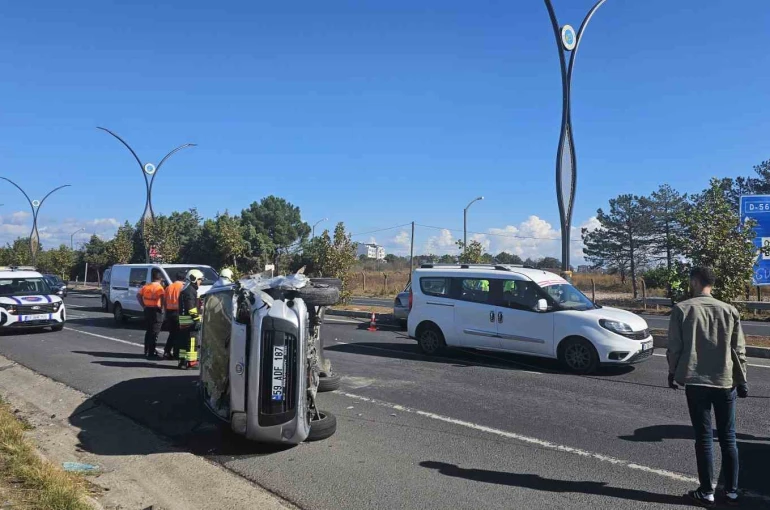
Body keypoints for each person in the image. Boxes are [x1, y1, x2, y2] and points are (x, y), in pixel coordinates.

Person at [667, 266, 748, 507]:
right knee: (728, 437)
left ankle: (706, 491)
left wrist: (673, 373)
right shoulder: (729, 310)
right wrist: (742, 379)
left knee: (703, 439)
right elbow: (739, 350)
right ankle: (732, 490)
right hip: (725, 382)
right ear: (712, 283)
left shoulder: (682, 309)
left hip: (696, 381)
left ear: (694, 281)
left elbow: (675, 348)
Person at [177, 269, 203, 369]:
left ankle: (182, 362)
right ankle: (191, 363)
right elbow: (191, 307)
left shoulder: (185, 289)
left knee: (183, 342)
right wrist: (196, 319)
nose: (200, 282)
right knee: (192, 342)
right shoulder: (190, 290)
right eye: (200, 279)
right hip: (190, 321)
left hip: (184, 320)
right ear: (194, 278)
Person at [137, 269, 165, 359]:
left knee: (149, 330)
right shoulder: (159, 288)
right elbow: (162, 298)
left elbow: (138, 295)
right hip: (156, 311)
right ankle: (151, 352)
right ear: (160, 279)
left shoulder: (146, 286)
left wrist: (143, 305)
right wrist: (162, 308)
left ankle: (146, 350)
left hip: (147, 310)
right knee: (155, 332)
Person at [163, 271, 186, 360]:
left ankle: (167, 351)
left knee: (172, 333)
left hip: (169, 312)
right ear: (184, 278)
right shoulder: (183, 287)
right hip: (178, 312)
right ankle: (176, 353)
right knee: (180, 334)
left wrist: (165, 312)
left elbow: (165, 301)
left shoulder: (169, 287)